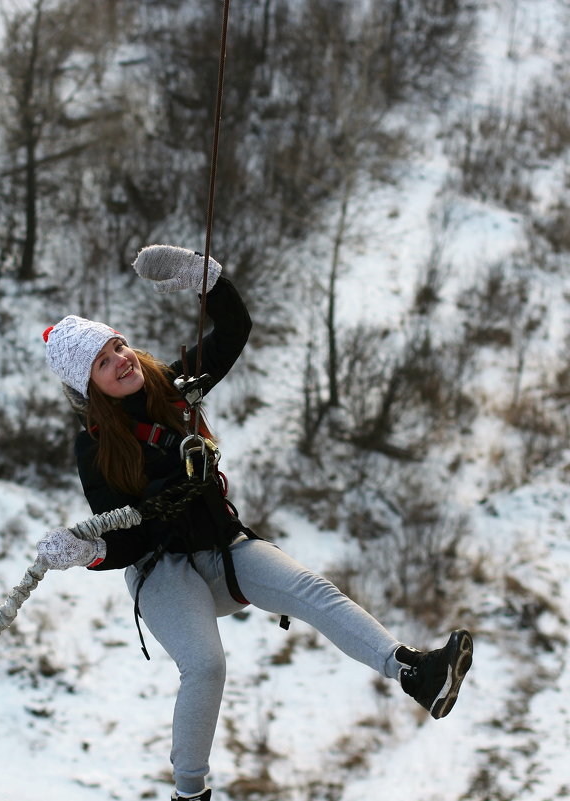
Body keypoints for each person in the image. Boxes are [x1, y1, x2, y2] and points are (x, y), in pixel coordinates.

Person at [38, 245, 474, 801]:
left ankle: (416, 673)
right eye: (103, 361)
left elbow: (233, 330)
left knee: (313, 591)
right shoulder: (95, 446)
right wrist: (89, 550)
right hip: (163, 573)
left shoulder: (173, 388)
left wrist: (206, 281)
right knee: (205, 666)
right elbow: (126, 537)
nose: (120, 359)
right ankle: (189, 791)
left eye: (118, 344)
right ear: (88, 384)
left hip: (223, 549)